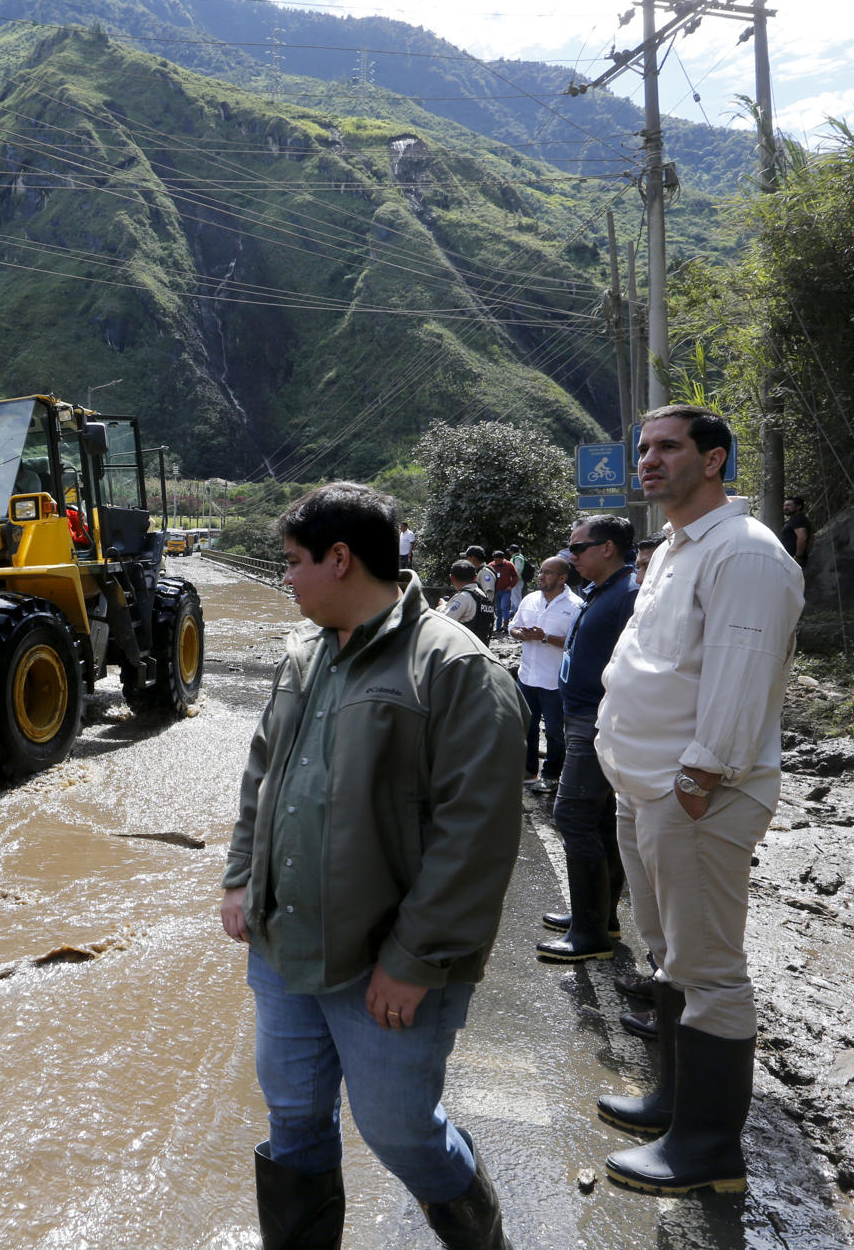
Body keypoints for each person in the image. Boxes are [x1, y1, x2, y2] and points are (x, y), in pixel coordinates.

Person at [220, 482, 525, 1250]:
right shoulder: (303, 656)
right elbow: (264, 775)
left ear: (341, 558)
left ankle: (482, 1238)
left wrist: (416, 959)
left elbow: (477, 835)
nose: (285, 578)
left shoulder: (454, 668)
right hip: (284, 944)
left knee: (400, 1133)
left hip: (383, 959)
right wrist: (238, 879)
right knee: (292, 1118)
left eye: (292, 562)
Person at [594, 405, 804, 1197]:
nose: (648, 461)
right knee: (668, 954)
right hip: (647, 789)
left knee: (709, 970)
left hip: (696, 799)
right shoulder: (680, 548)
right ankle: (673, 1106)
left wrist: (694, 783)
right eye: (644, 448)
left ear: (713, 459)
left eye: (668, 447)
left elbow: (740, 681)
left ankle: (709, 1149)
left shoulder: (745, 554)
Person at [534, 514, 639, 966]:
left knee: (573, 815)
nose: (570, 556)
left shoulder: (629, 594)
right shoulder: (604, 590)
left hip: (598, 720)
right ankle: (597, 918)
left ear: (608, 548)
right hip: (582, 715)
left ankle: (589, 934)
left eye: (577, 548)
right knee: (598, 820)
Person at [509, 557, 580, 793]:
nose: (541, 576)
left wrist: (545, 637)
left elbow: (576, 643)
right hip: (527, 676)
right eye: (541, 572)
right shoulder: (530, 599)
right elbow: (513, 627)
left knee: (554, 731)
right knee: (526, 726)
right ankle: (529, 771)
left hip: (554, 681)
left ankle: (551, 775)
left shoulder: (575, 605)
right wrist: (522, 634)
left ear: (562, 578)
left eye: (548, 573)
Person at [438, 561, 495, 642]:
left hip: (464, 649)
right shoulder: (483, 596)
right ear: (475, 577)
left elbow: (445, 621)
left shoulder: (463, 597)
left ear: (452, 578)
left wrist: (441, 607)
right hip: (482, 647)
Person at [488, 550, 520, 632]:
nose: (497, 562)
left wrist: (511, 586)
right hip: (495, 591)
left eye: (498, 560)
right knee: (497, 609)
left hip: (506, 590)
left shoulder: (509, 565)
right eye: (495, 560)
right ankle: (498, 627)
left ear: (503, 559)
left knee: (504, 607)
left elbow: (515, 577)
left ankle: (506, 625)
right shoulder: (491, 565)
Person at [780, 497, 811, 568]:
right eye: (784, 505)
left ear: (798, 507)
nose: (785, 507)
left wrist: (798, 557)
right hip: (792, 558)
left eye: (788, 505)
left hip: (794, 559)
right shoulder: (796, 519)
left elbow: (802, 538)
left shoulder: (798, 518)